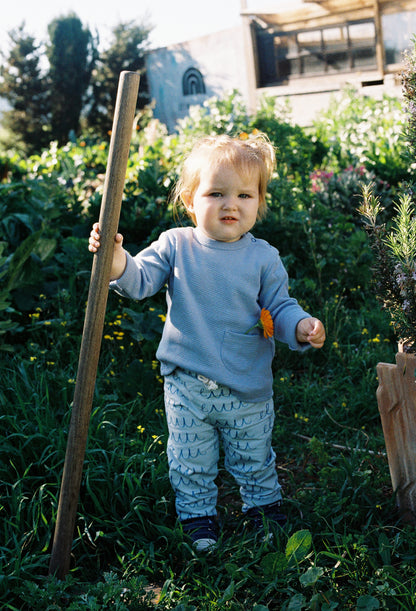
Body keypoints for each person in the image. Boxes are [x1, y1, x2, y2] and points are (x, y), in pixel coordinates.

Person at [88, 132, 326, 551]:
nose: (230, 204)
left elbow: (280, 307)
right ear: (190, 201)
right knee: (190, 457)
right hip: (187, 382)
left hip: (246, 383)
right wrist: (116, 259)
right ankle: (198, 518)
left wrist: (301, 325)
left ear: (259, 201)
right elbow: (140, 280)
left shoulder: (263, 258)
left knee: (252, 454)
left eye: (244, 195)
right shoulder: (175, 245)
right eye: (216, 193)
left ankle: (263, 509)